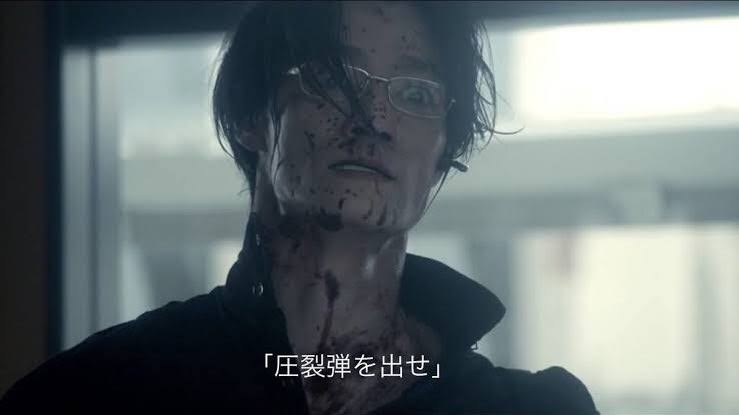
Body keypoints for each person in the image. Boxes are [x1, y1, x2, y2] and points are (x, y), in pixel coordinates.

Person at [1, 2, 598, 414]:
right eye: (330, 78)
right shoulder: (95, 395)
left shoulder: (534, 409)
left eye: (417, 93)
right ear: (252, 116)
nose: (373, 118)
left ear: (444, 155)